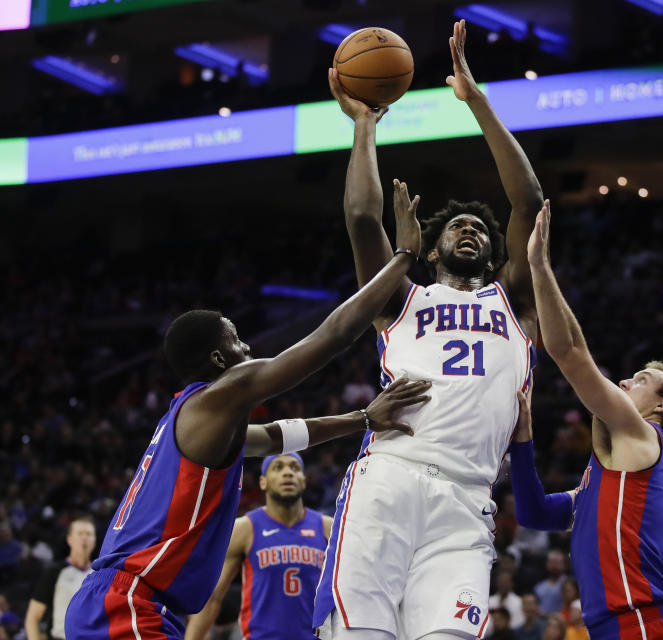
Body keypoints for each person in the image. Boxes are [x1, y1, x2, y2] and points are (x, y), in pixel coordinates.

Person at [64, 185, 430, 640]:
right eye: (236, 339)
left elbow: (277, 437)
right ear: (219, 361)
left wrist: (361, 420)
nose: (248, 347)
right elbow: (332, 335)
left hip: (125, 601)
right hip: (130, 602)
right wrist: (403, 258)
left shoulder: (199, 423)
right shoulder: (218, 395)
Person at [316, 18, 542, 640]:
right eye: (456, 226)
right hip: (392, 477)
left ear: (495, 255)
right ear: (433, 251)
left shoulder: (514, 299)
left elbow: (527, 200)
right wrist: (365, 127)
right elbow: (364, 218)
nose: (469, 227)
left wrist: (478, 103)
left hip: (469, 501)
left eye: (480, 228)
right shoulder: (400, 295)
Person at [509, 201, 663, 639]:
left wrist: (540, 267)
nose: (629, 379)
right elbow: (534, 513)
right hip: (614, 628)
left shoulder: (643, 436)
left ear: (662, 405)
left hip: (644, 625)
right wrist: (524, 441)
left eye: (644, 379)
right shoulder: (607, 482)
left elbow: (570, 354)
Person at [185, 454, 331, 640]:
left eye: (294, 468)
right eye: (278, 468)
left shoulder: (329, 529)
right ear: (263, 482)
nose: (288, 473)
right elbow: (212, 598)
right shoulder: (245, 529)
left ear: (303, 480)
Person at [25, 516, 96, 640]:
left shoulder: (99, 574)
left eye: (89, 534)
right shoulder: (54, 572)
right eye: (80, 533)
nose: (84, 538)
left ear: (94, 540)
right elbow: (32, 618)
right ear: (69, 539)